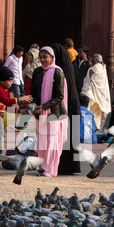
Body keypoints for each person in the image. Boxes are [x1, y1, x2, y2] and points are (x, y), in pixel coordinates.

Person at [0, 66, 32, 176]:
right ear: (2, 81)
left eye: (11, 81)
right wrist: (21, 99)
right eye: (9, 81)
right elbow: (6, 101)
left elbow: (6, 107)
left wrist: (20, 110)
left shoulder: (6, 90)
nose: (11, 83)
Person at [30, 46, 69, 178]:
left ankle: (51, 170)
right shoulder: (37, 72)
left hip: (55, 112)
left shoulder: (58, 72)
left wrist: (45, 106)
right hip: (41, 112)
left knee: (53, 143)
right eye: (41, 57)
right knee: (42, 142)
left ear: (52, 58)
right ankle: (43, 167)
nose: (42, 60)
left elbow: (59, 96)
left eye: (45, 57)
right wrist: (34, 106)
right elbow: (33, 93)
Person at [50, 43, 82, 175]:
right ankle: (69, 166)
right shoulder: (67, 71)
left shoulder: (59, 72)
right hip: (71, 109)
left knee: (61, 137)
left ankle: (60, 165)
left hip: (63, 110)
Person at [80, 54, 111, 128]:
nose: (91, 61)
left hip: (91, 93)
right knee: (97, 113)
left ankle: (87, 127)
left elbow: (88, 81)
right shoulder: (103, 68)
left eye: (93, 60)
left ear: (97, 60)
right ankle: (96, 127)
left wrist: (84, 91)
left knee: (88, 110)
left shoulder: (92, 69)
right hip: (100, 94)